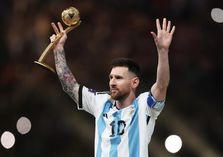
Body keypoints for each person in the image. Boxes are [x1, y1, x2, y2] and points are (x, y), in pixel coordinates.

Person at [50, 18, 175, 157]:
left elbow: (162, 85)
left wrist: (163, 52)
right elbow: (70, 86)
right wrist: (58, 50)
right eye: (111, 77)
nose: (112, 82)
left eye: (119, 78)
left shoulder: (144, 106)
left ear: (134, 82)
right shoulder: (101, 102)